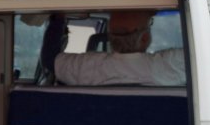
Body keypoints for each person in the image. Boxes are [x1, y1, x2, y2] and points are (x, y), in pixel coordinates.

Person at [53, 10, 185, 86]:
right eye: (150, 23)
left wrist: (58, 19)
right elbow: (197, 57)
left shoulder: (89, 66)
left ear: (110, 39)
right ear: (144, 39)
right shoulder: (165, 65)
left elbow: (50, 60)